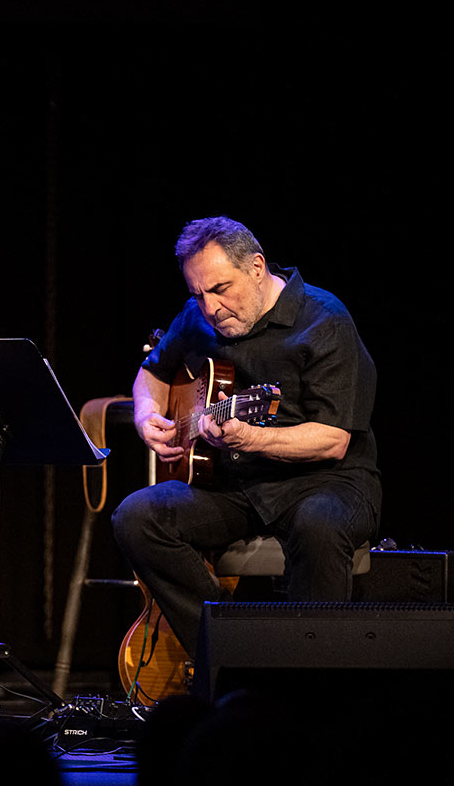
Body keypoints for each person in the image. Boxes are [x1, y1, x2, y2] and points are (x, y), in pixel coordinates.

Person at [111, 216, 379, 660]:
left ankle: (311, 684)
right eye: (198, 294)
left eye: (220, 289)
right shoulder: (197, 318)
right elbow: (153, 371)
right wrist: (146, 415)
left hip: (328, 482)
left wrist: (248, 438)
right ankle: (231, 652)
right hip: (236, 488)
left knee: (318, 526)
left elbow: (333, 439)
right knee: (137, 517)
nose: (210, 308)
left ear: (257, 267)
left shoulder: (324, 320)